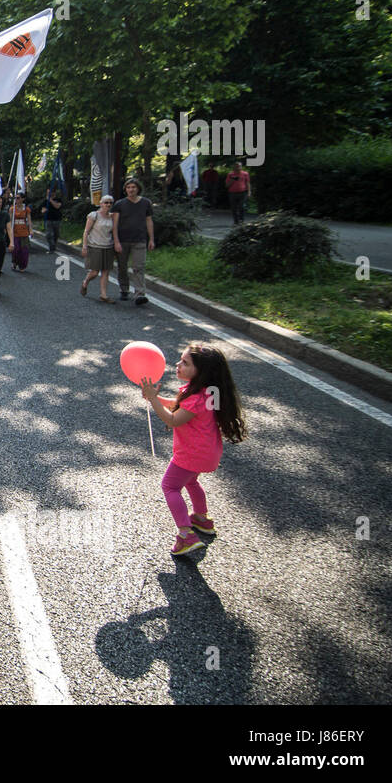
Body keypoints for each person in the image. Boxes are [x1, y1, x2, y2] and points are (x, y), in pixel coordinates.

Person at [139, 343, 247, 556]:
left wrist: (153, 400)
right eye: (180, 360)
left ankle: (186, 535)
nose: (178, 365)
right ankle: (201, 518)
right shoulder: (208, 392)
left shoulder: (197, 398)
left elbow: (173, 419)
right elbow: (178, 404)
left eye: (185, 363)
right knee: (191, 481)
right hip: (208, 452)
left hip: (191, 453)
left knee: (169, 486)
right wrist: (156, 398)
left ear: (202, 372)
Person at [112, 177, 155, 305]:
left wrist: (151, 239)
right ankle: (124, 289)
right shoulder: (119, 204)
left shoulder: (146, 203)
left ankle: (139, 294)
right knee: (122, 267)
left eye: (133, 187)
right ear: (125, 189)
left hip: (139, 239)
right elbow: (115, 224)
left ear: (138, 189)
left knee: (139, 267)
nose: (131, 189)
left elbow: (149, 221)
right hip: (123, 240)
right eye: (129, 187)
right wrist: (116, 241)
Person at [80, 195, 117, 302]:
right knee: (95, 272)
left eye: (110, 203)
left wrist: (115, 245)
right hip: (95, 246)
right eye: (106, 202)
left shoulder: (112, 217)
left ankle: (104, 294)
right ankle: (85, 282)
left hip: (108, 246)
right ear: (101, 204)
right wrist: (84, 246)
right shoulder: (94, 215)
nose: (108, 205)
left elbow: (113, 232)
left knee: (106, 271)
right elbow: (86, 231)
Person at [10, 192, 32, 271]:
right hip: (15, 232)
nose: (16, 200)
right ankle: (14, 262)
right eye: (15, 198)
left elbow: (29, 220)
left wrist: (31, 230)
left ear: (23, 199)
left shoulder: (26, 209)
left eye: (18, 198)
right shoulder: (12, 209)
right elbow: (10, 220)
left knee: (24, 250)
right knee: (16, 249)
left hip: (24, 232)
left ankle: (22, 265)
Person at [226, 160, 251, 225]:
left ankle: (241, 220)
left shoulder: (245, 174)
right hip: (232, 193)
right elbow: (227, 185)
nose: (238, 167)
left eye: (239, 166)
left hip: (243, 193)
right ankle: (236, 221)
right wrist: (232, 180)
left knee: (242, 206)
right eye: (236, 166)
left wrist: (249, 192)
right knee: (234, 208)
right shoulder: (230, 174)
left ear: (241, 167)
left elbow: (248, 183)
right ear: (234, 167)